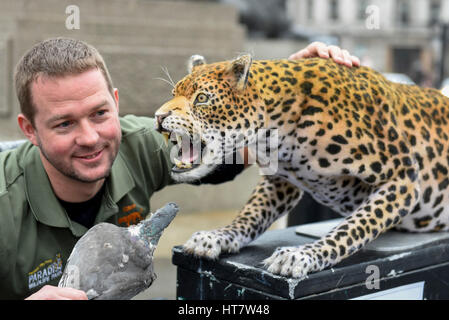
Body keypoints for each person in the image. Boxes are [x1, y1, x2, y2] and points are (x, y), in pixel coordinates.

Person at [0, 38, 359, 300]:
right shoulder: (5, 204)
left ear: (116, 102)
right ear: (29, 129)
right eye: (64, 124)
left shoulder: (137, 143)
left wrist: (291, 96)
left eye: (100, 113)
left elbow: (241, 149)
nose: (91, 138)